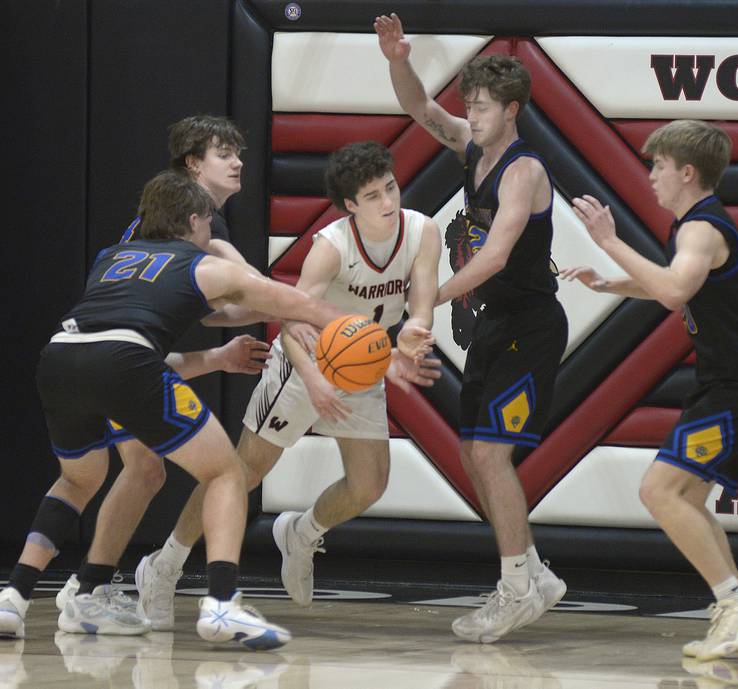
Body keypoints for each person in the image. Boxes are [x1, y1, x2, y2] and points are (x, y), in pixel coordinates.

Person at [0, 170, 346, 646]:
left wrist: (224, 353)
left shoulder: (111, 258)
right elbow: (296, 303)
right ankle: (223, 606)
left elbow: (126, 337)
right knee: (225, 471)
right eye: (209, 223)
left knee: (78, 479)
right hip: (125, 363)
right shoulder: (205, 266)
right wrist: (364, 330)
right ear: (194, 221)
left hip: (60, 357)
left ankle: (15, 598)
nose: (212, 232)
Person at [133, 141, 442, 628]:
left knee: (369, 485)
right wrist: (316, 380)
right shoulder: (330, 247)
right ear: (350, 206)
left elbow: (422, 300)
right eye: (374, 195)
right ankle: (164, 565)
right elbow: (291, 323)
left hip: (362, 363)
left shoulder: (424, 231)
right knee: (240, 472)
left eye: (391, 187)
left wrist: (414, 333)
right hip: (303, 363)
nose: (388, 201)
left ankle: (300, 533)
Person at [561, 119, 738, 660]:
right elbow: (672, 283)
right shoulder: (692, 227)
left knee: (659, 491)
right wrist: (609, 280)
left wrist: (610, 241)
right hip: (733, 381)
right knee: (686, 497)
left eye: (658, 166)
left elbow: (673, 291)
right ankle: (737, 611)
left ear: (687, 171)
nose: (652, 176)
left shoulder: (701, 229)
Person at [375, 13, 568, 643]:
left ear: (512, 110)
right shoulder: (471, 148)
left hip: (532, 327)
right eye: (471, 106)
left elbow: (495, 257)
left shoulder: (524, 170)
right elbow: (418, 107)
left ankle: (515, 588)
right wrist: (398, 58)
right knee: (471, 454)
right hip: (495, 325)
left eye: (482, 107)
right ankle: (533, 572)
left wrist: (425, 299)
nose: (472, 115)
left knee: (490, 453)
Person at [48, 115, 267, 618]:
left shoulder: (176, 211)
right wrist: (305, 314)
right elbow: (248, 289)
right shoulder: (196, 218)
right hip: (121, 353)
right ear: (194, 164)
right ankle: (88, 588)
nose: (237, 163)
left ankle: (86, 586)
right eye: (224, 154)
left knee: (144, 470)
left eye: (240, 154)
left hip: (113, 350)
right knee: (181, 470)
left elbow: (217, 312)